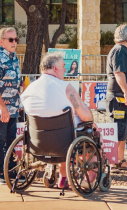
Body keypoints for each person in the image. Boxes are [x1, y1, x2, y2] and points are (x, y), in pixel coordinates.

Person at [21, 52, 98, 188]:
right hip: (65, 141)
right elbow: (86, 116)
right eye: (63, 66)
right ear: (55, 68)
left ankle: (62, 177)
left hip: (38, 143)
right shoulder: (65, 87)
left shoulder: (29, 90)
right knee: (94, 134)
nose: (65, 69)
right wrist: (91, 120)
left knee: (63, 133)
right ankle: (90, 178)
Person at [106, 25, 127, 170]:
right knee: (118, 129)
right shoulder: (119, 51)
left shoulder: (121, 51)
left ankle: (120, 159)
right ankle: (114, 161)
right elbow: (119, 73)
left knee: (123, 130)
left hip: (123, 99)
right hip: (119, 98)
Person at [0, 27, 21, 184]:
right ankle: (1, 172)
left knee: (11, 140)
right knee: (1, 140)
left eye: (16, 39)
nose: (14, 42)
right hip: (2, 110)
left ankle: (10, 171)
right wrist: (3, 108)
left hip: (14, 109)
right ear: (1, 42)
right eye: (11, 40)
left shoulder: (15, 58)